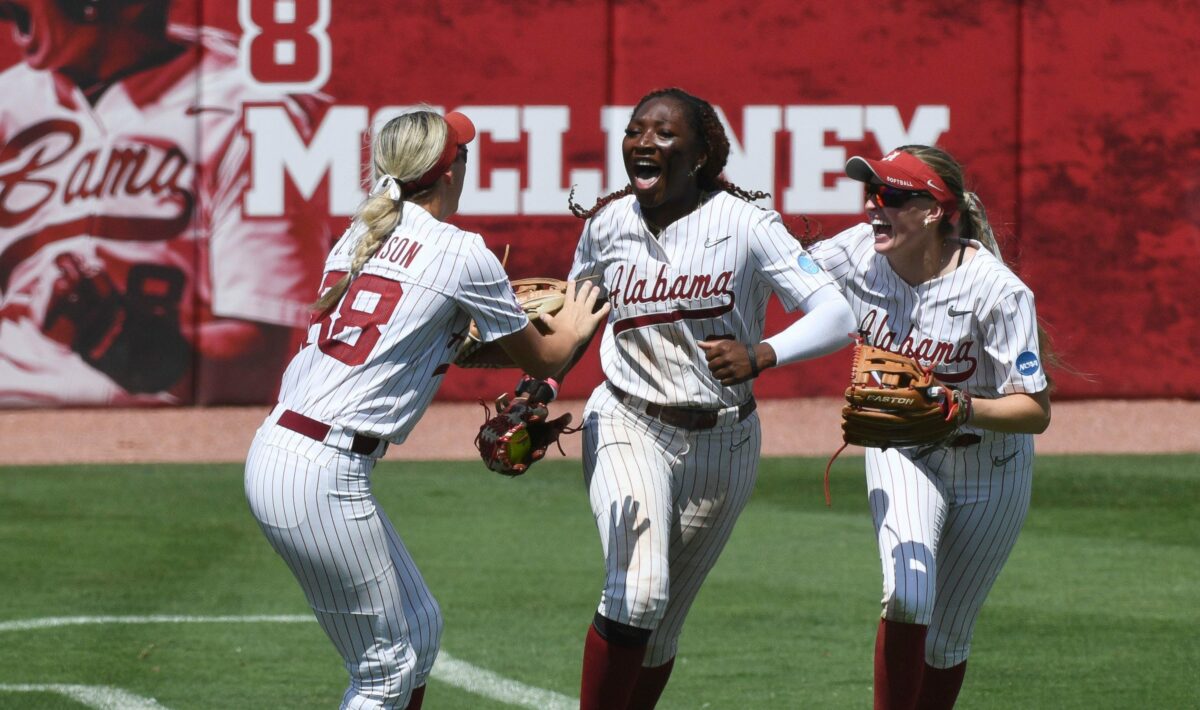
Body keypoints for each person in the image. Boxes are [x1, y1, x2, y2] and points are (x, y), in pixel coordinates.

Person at [243, 109, 609, 709]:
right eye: (463, 154)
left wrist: (475, 336)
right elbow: (547, 358)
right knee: (385, 670)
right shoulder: (462, 252)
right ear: (451, 172)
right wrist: (579, 316)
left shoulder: (364, 230)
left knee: (420, 630)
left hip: (289, 451)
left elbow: (445, 345)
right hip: (318, 471)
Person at [564, 87, 856, 709]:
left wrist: (763, 354)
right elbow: (573, 319)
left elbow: (836, 313)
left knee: (662, 627)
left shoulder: (749, 225)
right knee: (638, 593)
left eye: (665, 134)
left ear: (700, 157)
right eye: (636, 131)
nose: (645, 143)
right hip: (628, 419)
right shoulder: (607, 224)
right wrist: (536, 387)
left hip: (725, 442)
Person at [807, 145, 1053, 709]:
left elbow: (1034, 411)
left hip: (990, 464)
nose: (875, 207)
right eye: (871, 193)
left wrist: (957, 406)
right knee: (908, 596)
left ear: (934, 211)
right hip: (902, 448)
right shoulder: (854, 254)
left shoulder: (998, 291)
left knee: (946, 639)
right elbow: (774, 269)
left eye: (893, 196)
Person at [0, 0, 326, 406]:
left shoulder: (246, 109)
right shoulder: (8, 104)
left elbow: (255, 364)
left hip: (149, 422)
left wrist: (129, 344)